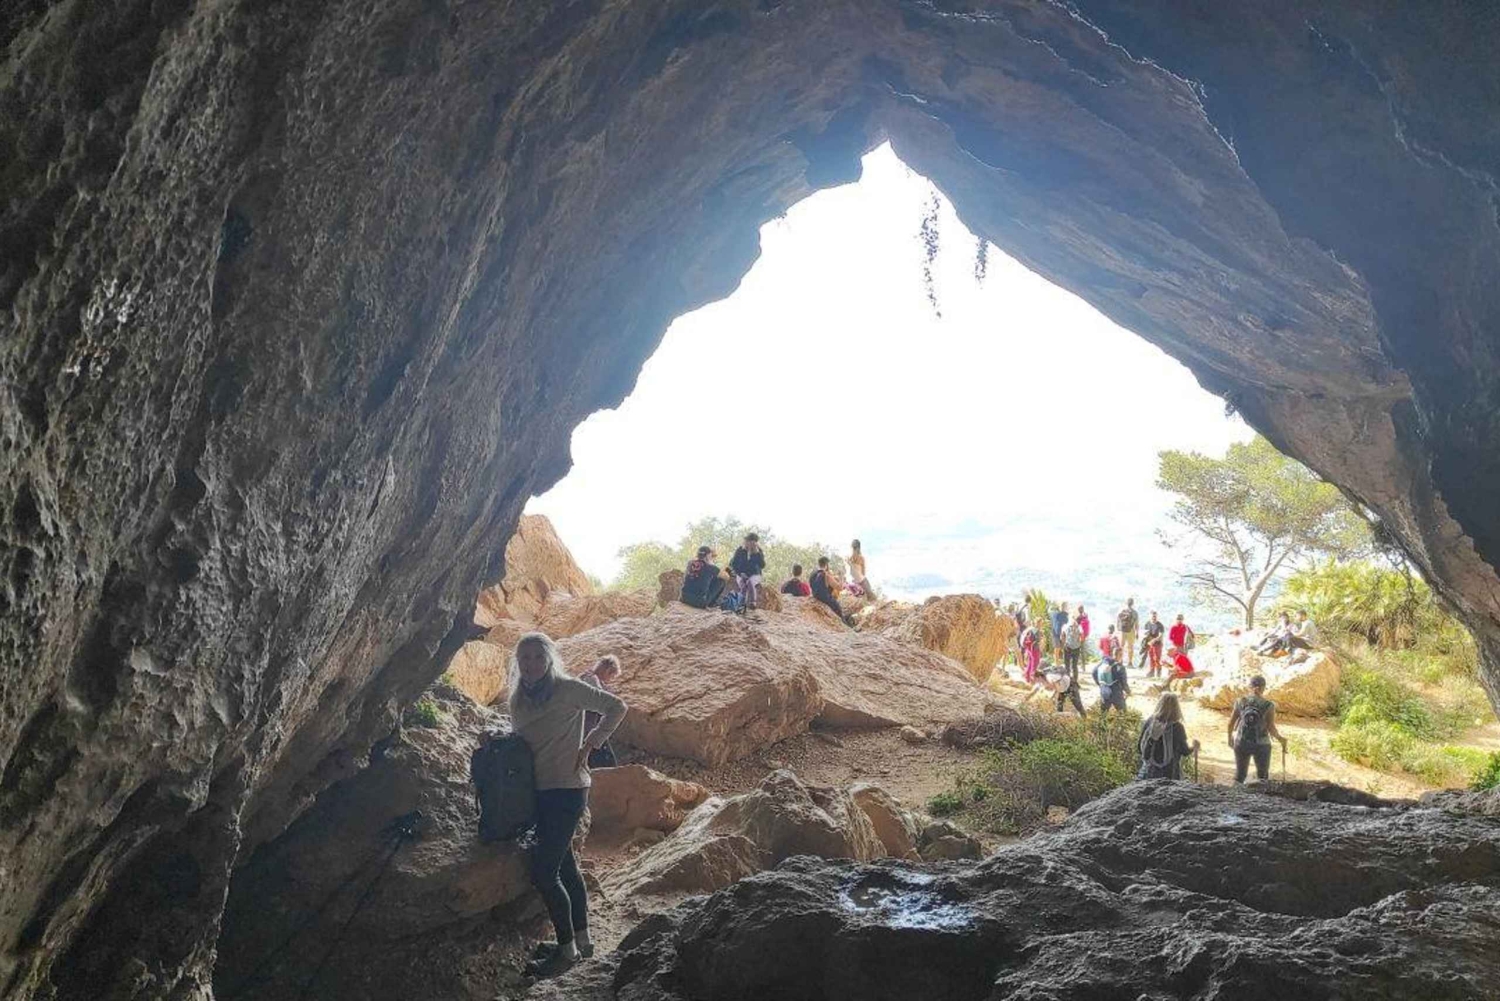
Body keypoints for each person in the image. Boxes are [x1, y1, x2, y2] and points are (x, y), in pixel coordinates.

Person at [508, 633, 628, 977]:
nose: (531, 664)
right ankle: (582, 942)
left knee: (544, 873)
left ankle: (566, 952)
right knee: (566, 867)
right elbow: (523, 738)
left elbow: (616, 707)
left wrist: (591, 743)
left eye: (537, 656)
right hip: (539, 792)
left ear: (549, 659)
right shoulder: (519, 698)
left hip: (567, 790)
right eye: (524, 657)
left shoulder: (568, 688)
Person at [1228, 675, 1287, 783]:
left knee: (1240, 775)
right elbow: (1271, 727)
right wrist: (1281, 739)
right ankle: (1261, 793)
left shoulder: (1240, 701)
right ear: (1263, 688)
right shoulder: (1268, 705)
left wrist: (1229, 739)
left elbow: (1230, 724)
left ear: (1249, 687)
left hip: (1241, 742)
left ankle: (1234, 792)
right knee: (1262, 776)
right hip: (1262, 745)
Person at [1137, 692, 1199, 779]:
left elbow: (1140, 747)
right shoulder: (1177, 727)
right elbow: (1185, 751)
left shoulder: (1150, 722)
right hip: (1170, 774)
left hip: (1148, 772)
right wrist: (1194, 746)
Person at [578, 655, 622, 768]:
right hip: (586, 729)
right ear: (607, 671)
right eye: (611, 676)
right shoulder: (590, 679)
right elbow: (601, 699)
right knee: (606, 762)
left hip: (586, 728)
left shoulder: (586, 677)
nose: (609, 680)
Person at [729, 533, 767, 611]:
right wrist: (740, 573)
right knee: (743, 585)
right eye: (748, 541)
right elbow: (733, 564)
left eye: (752, 542)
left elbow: (762, 565)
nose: (749, 544)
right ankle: (741, 604)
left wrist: (756, 554)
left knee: (750, 582)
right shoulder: (740, 550)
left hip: (755, 574)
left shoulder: (758, 551)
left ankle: (753, 602)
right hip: (741, 573)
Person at [809, 556, 847, 623]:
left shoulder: (812, 574)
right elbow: (840, 588)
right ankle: (844, 623)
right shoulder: (825, 575)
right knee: (838, 610)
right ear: (826, 565)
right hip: (826, 599)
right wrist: (841, 576)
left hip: (815, 596)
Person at [1094, 648, 1130, 715]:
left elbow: (1094, 672)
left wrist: (1101, 685)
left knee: (1103, 714)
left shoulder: (1103, 663)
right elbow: (1124, 682)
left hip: (1104, 691)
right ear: (1120, 655)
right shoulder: (1120, 667)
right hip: (1116, 693)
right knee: (1123, 713)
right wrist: (1128, 691)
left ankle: (1102, 721)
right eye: (1122, 655)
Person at [1060, 613, 1085, 696]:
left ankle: (1067, 684)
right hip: (1076, 648)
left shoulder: (1065, 626)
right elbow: (1082, 637)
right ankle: (1075, 683)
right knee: (1074, 666)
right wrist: (1079, 643)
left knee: (1067, 666)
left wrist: (1063, 645)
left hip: (1067, 647)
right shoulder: (1079, 627)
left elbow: (1062, 636)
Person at [1141, 611, 1165, 678]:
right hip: (1150, 643)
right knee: (1151, 658)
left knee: (1157, 658)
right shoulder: (1147, 624)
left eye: (1155, 616)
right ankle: (1152, 671)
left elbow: (1160, 635)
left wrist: (1153, 640)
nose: (1154, 618)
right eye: (1153, 616)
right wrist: (1145, 641)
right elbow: (1145, 633)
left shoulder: (1160, 625)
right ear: (1150, 616)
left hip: (1158, 643)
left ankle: (1158, 672)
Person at [1117, 598, 1139, 668]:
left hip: (1122, 631)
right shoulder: (1134, 612)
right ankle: (1130, 663)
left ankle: (1120, 661)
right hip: (1131, 631)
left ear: (1126, 603)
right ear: (1132, 603)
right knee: (1130, 647)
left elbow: (1118, 621)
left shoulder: (1121, 611)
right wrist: (1137, 632)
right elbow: (1136, 624)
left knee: (1121, 646)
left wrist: (1118, 630)